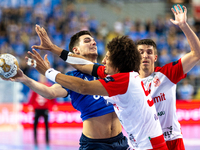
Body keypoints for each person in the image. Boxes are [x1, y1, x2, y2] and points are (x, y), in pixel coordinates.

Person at [28, 36, 168, 150]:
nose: (103, 61)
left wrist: (48, 72)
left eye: (107, 57)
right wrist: (53, 48)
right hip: (133, 143)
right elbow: (84, 65)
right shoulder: (124, 74)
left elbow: (83, 87)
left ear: (117, 63)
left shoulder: (121, 80)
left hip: (146, 145)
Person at [7, 30, 130, 150]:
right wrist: (26, 79)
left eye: (94, 40)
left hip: (120, 141)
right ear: (76, 50)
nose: (93, 43)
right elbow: (51, 92)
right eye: (87, 41)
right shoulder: (72, 77)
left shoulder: (108, 71)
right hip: (94, 144)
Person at [136, 5, 200, 150]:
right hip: (144, 143)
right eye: (141, 52)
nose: (145, 55)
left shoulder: (166, 74)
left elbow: (197, 53)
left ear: (155, 57)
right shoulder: (129, 82)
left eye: (149, 52)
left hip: (171, 140)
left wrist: (184, 26)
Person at [27, 74, 56, 149]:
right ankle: (35, 141)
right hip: (37, 108)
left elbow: (53, 96)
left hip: (45, 109)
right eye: (41, 77)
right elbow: (32, 96)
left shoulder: (49, 85)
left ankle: (47, 141)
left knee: (46, 126)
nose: (42, 78)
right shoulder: (36, 85)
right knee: (35, 125)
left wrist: (53, 105)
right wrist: (30, 105)